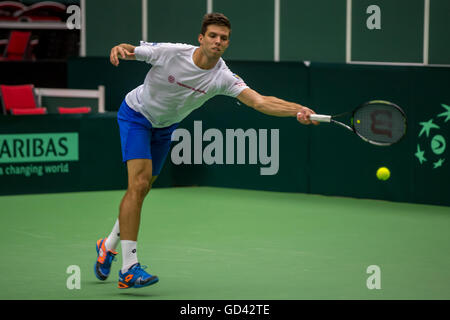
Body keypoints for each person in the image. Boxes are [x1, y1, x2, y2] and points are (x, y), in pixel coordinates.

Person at [94, 12, 318, 289]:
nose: (218, 41)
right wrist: (121, 48)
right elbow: (132, 51)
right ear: (201, 38)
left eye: (223, 38)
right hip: (136, 115)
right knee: (138, 184)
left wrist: (296, 109)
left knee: (142, 190)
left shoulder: (223, 77)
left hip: (165, 127)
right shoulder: (171, 53)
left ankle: (107, 245)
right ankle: (129, 268)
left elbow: (259, 101)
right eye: (212, 36)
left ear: (227, 43)